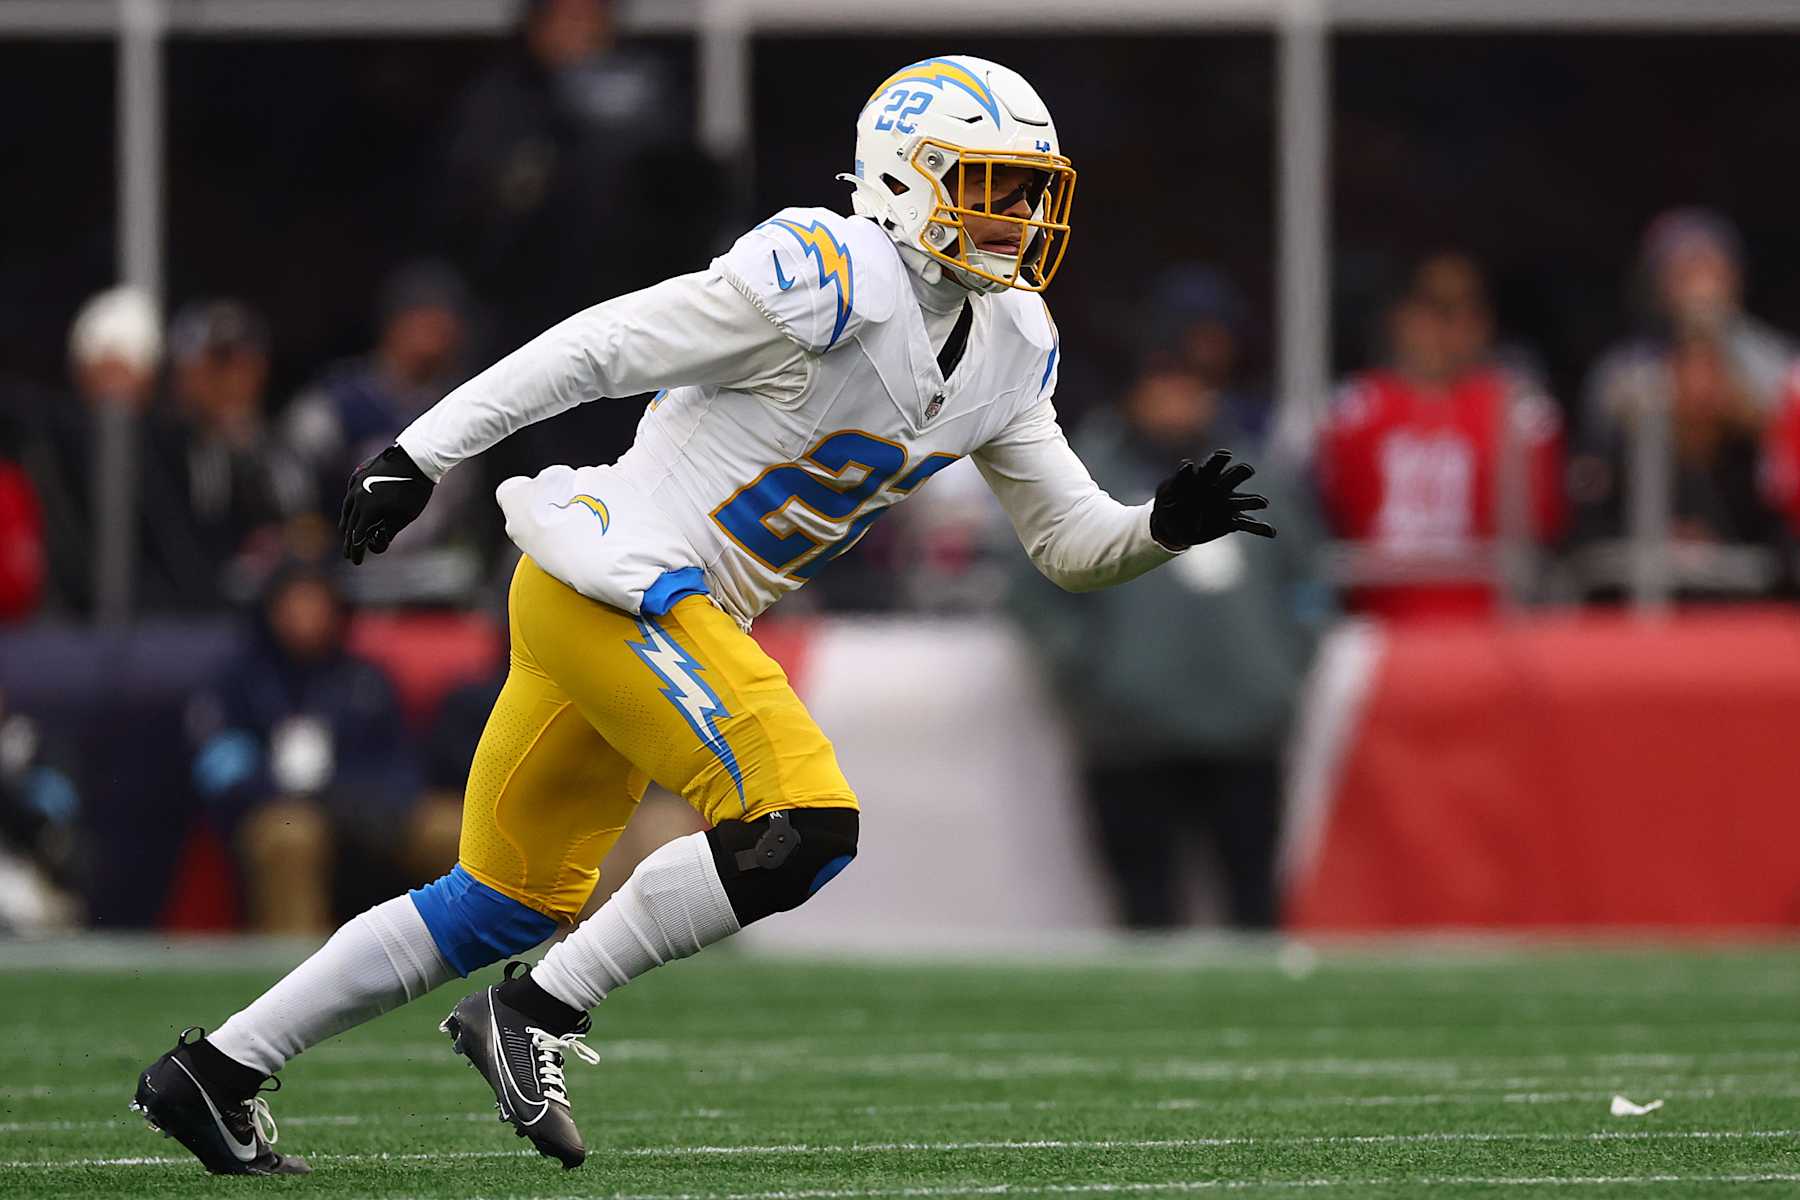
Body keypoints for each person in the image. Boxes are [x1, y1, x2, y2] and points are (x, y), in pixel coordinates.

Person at [130, 55, 1276, 1176]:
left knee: (495, 902)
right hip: (620, 577)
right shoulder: (827, 270)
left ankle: (218, 1071)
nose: (1019, 215)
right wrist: (423, 451)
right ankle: (532, 1012)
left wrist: (1160, 527)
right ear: (904, 177)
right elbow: (602, 347)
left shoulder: (1012, 344)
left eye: (1030, 190)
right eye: (991, 184)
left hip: (631, 612)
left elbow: (1070, 547)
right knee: (801, 823)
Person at [1012, 335, 1328, 930]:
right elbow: (1031, 587)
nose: (1176, 402)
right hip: (1129, 731)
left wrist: (1285, 668)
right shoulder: (1083, 474)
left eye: (1190, 386)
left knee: (1254, 903)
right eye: (1162, 386)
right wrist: (1090, 672)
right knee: (1145, 911)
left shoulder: (1260, 473)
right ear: (1131, 394)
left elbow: (1311, 580)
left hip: (1245, 723)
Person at [1317, 252, 1565, 619]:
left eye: (1468, 310)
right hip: (1376, 627)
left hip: (1490, 631)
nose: (1452, 327)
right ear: (1400, 316)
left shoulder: (1520, 414)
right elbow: (1319, 517)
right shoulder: (1352, 412)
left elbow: (1544, 528)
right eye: (1436, 308)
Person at [187, 560, 429, 935]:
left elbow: (401, 765)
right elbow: (220, 773)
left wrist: (365, 799)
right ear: (271, 610)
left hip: (367, 812)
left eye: (315, 603)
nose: (305, 615)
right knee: (292, 836)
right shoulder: (237, 683)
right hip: (280, 810)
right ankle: (300, 976)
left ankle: (506, 968)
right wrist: (283, 791)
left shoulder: (366, 680)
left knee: (450, 828)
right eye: (294, 603)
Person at [282, 263, 493, 603]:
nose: (434, 334)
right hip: (345, 578)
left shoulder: (467, 403)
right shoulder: (341, 400)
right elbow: (291, 480)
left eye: (443, 322)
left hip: (438, 583)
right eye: (424, 319)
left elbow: (478, 508)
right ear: (394, 324)